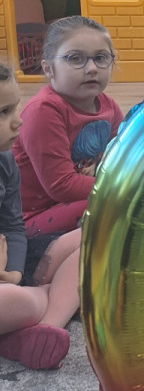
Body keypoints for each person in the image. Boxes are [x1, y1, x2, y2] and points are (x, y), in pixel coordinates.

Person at [0, 61, 82, 370]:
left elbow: (13, 226)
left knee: (95, 239)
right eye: (3, 113)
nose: (18, 121)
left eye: (14, 108)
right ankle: (45, 304)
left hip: (11, 269)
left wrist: (14, 272)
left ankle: (41, 330)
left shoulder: (6, 162)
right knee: (20, 302)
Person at [13, 16, 122, 240]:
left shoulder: (108, 106)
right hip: (30, 218)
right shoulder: (43, 111)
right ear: (49, 69)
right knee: (113, 206)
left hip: (75, 201)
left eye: (101, 58)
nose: (91, 68)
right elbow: (61, 185)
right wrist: (122, 189)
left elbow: (123, 157)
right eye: (75, 58)